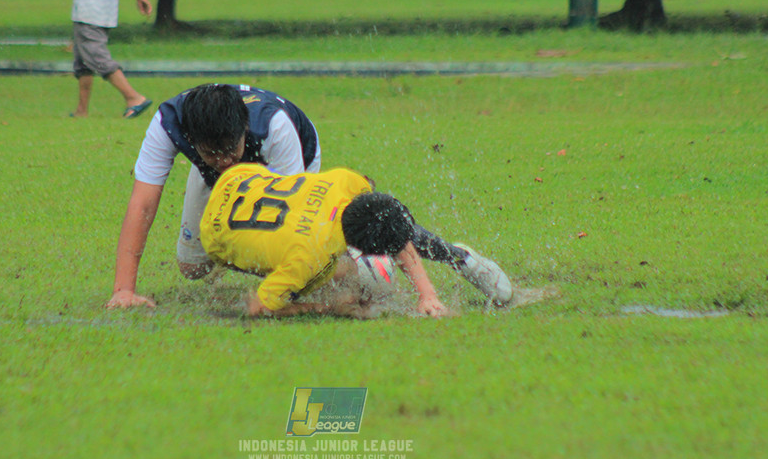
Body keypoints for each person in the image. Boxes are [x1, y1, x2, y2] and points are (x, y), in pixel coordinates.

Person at [198, 163, 514, 318]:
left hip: (239, 177)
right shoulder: (310, 259)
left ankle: (460, 257)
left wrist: (426, 294)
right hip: (213, 236)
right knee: (331, 275)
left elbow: (382, 213)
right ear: (367, 251)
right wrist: (329, 307)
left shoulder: (343, 180)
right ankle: (456, 257)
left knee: (380, 218)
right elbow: (257, 307)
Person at [106, 83, 321, 308]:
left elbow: (292, 214)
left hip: (283, 163)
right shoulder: (167, 124)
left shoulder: (275, 127)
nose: (225, 162)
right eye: (212, 154)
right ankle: (227, 247)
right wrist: (124, 290)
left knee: (282, 253)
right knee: (192, 267)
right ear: (190, 139)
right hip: (209, 171)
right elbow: (143, 205)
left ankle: (350, 259)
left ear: (245, 128)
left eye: (231, 151)